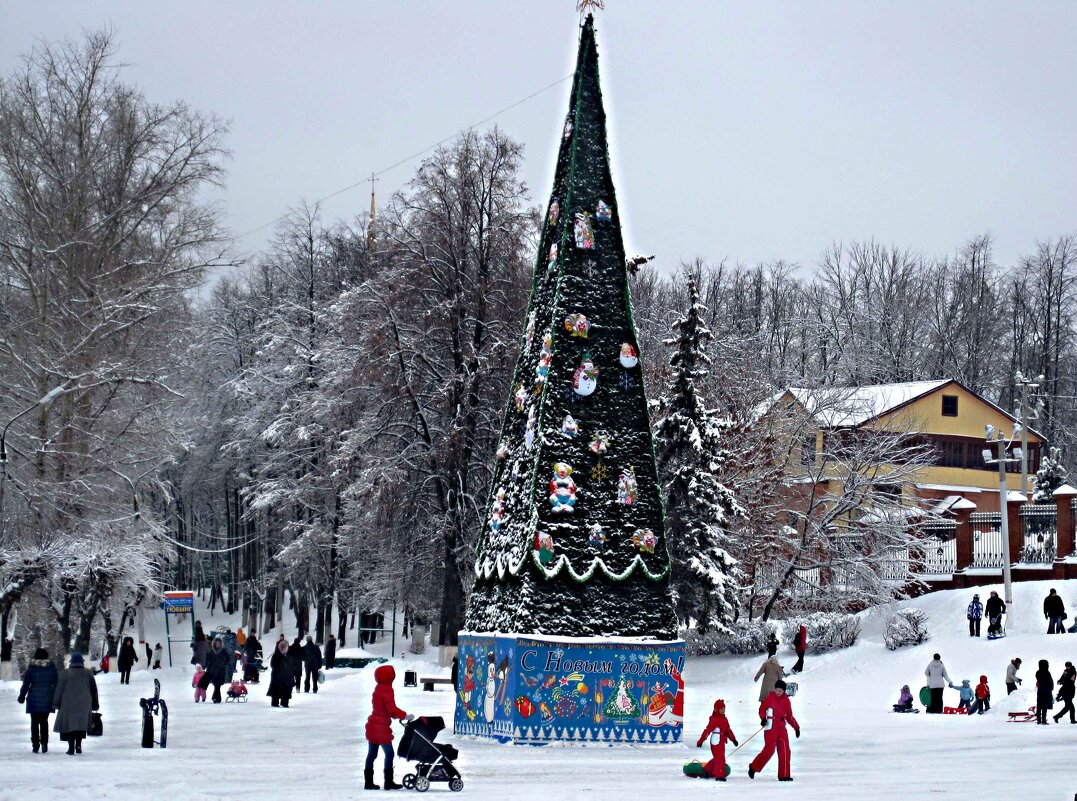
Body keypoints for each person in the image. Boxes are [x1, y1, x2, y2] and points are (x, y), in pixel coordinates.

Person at [364, 664, 413, 791]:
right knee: (389, 753)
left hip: (373, 725)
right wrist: (406, 716)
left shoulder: (378, 688)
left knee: (371, 755)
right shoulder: (387, 690)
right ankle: (388, 782)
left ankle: (368, 782)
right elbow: (391, 710)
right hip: (381, 727)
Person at [748, 679, 800, 782]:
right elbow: (762, 710)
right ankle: (754, 767)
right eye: (777, 690)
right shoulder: (769, 698)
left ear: (784, 691)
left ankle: (784, 775)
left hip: (781, 727)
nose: (778, 692)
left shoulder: (786, 701)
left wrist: (796, 727)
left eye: (780, 690)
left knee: (785, 751)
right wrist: (763, 719)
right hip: (770, 727)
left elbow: (789, 717)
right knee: (769, 750)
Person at [52, 652, 99, 755]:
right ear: (82, 662)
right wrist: (95, 704)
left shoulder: (64, 673)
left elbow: (59, 689)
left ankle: (70, 747)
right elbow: (93, 690)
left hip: (68, 703)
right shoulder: (88, 673)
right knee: (80, 724)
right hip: (84, 703)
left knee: (70, 725)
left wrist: (55, 703)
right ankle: (78, 745)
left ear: (71, 662)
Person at [18, 647, 58, 753]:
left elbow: (26, 683)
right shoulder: (51, 667)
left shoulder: (32, 667)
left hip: (34, 699)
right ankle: (44, 744)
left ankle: (35, 745)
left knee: (34, 723)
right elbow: (56, 682)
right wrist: (54, 695)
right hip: (47, 698)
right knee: (44, 722)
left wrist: (22, 696)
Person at [696, 698, 738, 780]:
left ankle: (707, 770)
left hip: (721, 741)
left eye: (724, 709)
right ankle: (719, 775)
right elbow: (707, 731)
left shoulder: (724, 719)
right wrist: (701, 741)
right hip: (716, 741)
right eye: (721, 709)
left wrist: (733, 739)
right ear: (716, 709)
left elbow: (728, 730)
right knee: (720, 758)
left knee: (718, 758)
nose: (723, 710)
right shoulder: (714, 719)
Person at [267, 640, 293, 708]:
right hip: (277, 676)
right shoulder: (276, 655)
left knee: (286, 689)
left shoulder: (288, 655)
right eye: (287, 647)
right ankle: (275, 702)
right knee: (276, 689)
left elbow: (290, 664)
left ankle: (284, 702)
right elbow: (273, 665)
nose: (288, 648)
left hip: (286, 676)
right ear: (283, 647)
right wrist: (279, 671)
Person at [204, 637, 230, 704]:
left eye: (219, 643)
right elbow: (209, 661)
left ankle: (216, 698)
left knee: (218, 685)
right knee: (216, 685)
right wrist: (207, 669)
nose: (218, 644)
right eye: (217, 643)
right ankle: (216, 698)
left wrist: (224, 662)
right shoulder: (211, 651)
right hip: (213, 671)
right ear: (214, 644)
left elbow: (228, 659)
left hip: (221, 671)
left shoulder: (224, 651)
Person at [1035, 659, 1054, 724]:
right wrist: (1051, 688)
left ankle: (1038, 719)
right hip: (1047, 691)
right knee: (1045, 706)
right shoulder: (1047, 672)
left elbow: (1038, 680)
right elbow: (1050, 681)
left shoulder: (1037, 672)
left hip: (1040, 690)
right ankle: (1044, 719)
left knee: (1039, 704)